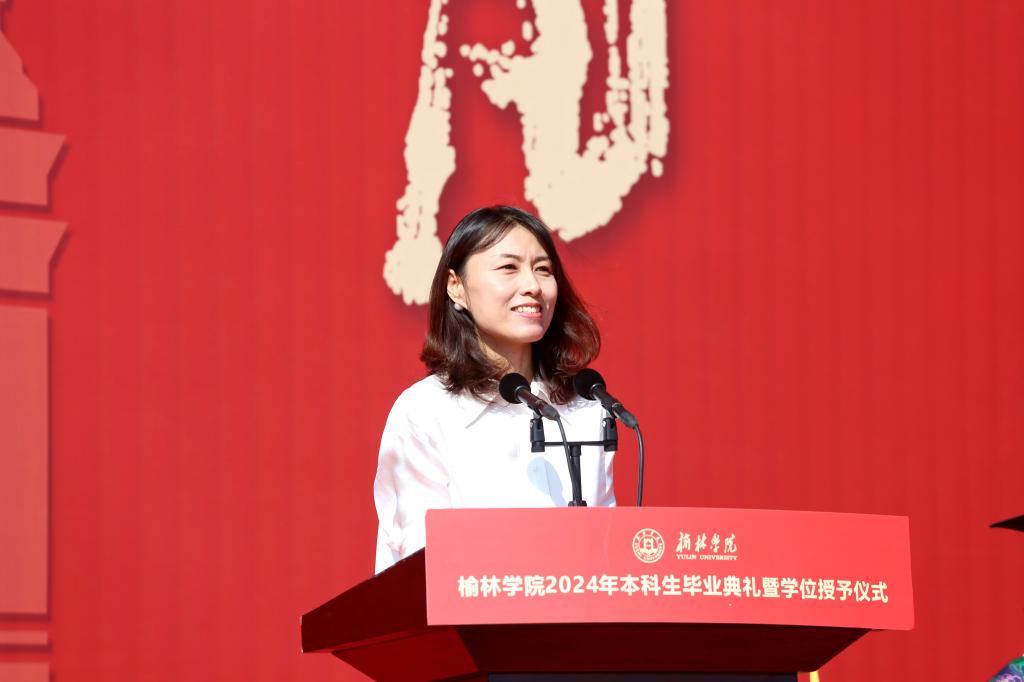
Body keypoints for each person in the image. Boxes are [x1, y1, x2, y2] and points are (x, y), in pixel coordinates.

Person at [373, 205, 616, 572]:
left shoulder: (585, 408)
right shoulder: (425, 411)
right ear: (456, 287)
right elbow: (420, 561)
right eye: (508, 268)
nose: (532, 286)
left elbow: (607, 550)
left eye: (543, 269)